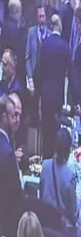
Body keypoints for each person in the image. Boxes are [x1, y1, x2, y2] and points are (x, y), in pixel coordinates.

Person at [0, 90, 28, 233]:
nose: (16, 120)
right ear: (4, 117)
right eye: (13, 116)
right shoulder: (6, 151)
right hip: (9, 219)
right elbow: (17, 196)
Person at [36, 8, 72, 155]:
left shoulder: (45, 44)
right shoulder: (65, 47)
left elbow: (38, 70)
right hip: (57, 96)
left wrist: (36, 92)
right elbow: (70, 74)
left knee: (45, 132)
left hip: (45, 95)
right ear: (60, 25)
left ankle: (45, 159)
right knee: (56, 131)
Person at [39, 125, 81, 237]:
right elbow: (73, 213)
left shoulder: (45, 166)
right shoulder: (69, 176)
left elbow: (42, 193)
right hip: (60, 230)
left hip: (44, 224)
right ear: (68, 150)